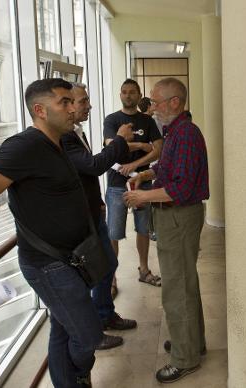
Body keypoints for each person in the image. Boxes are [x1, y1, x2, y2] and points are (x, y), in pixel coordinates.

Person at [0, 78, 101, 387]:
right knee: (88, 336)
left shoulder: (58, 143)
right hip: (49, 264)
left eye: (73, 102)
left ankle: (67, 382)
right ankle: (77, 374)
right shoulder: (24, 146)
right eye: (65, 102)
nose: (74, 108)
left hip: (73, 259)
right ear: (40, 110)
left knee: (64, 329)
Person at [124, 77, 209, 384]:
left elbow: (181, 187)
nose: (153, 108)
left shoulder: (185, 134)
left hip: (179, 217)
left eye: (157, 102)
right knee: (185, 282)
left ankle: (185, 358)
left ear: (175, 102)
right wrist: (147, 172)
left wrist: (142, 196)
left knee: (176, 289)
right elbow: (167, 168)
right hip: (175, 218)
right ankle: (192, 342)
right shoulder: (176, 132)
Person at [60, 83, 138, 350]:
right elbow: (93, 166)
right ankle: (96, 327)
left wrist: (97, 202)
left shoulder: (74, 132)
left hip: (92, 211)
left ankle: (104, 315)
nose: (88, 105)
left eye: (87, 100)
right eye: (83, 101)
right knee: (94, 272)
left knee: (108, 265)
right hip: (81, 220)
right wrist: (121, 140)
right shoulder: (65, 137)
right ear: (68, 104)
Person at [103, 79, 163, 288]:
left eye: (132, 92)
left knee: (143, 228)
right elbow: (112, 146)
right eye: (124, 92)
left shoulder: (148, 122)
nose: (128, 95)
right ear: (120, 95)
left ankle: (144, 270)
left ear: (139, 96)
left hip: (143, 182)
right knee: (114, 233)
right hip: (116, 184)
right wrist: (143, 146)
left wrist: (135, 158)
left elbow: (158, 149)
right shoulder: (111, 120)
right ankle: (111, 278)